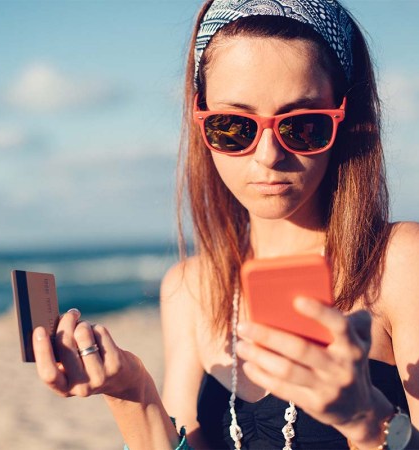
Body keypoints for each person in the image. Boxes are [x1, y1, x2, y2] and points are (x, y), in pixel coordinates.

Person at [32, 1, 419, 449]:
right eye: (234, 126)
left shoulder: (399, 263)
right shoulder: (191, 288)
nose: (269, 155)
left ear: (345, 121)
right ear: (202, 124)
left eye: (304, 126)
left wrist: (369, 423)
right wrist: (132, 393)